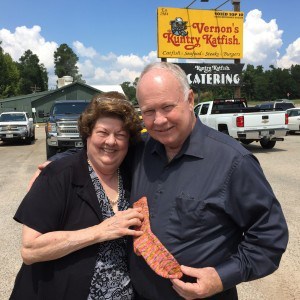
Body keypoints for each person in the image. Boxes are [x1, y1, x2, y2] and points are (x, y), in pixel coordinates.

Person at [29, 62, 289, 300]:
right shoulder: (143, 149)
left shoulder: (234, 162)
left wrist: (221, 278)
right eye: (149, 111)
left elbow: (269, 238)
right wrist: (60, 163)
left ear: (189, 100)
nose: (160, 120)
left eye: (167, 107)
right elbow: (106, 147)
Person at [10, 93, 144, 300]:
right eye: (103, 132)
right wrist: (100, 231)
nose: (111, 141)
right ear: (87, 134)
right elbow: (30, 250)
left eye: (120, 135)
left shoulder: (131, 175)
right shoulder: (59, 175)